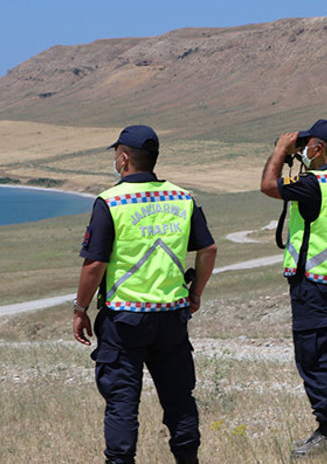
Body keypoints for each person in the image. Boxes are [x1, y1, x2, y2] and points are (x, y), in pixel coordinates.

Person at [73, 125, 217, 464]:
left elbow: (95, 265)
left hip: (124, 320)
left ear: (123, 158)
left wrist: (80, 309)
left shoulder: (111, 201)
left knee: (123, 401)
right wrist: (194, 294)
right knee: (179, 398)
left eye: (115, 154)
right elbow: (208, 249)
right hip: (171, 316)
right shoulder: (182, 197)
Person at [260, 119, 327, 457]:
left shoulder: (314, 184)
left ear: (318, 149)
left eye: (306, 145)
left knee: (314, 356)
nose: (300, 150)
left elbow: (268, 185)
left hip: (313, 282)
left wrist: (279, 152)